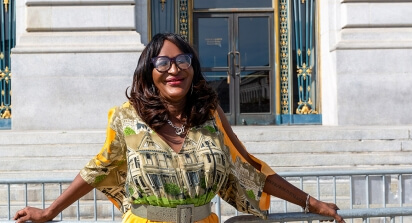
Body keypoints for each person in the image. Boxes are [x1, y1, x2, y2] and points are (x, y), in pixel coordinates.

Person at [14, 33, 345, 223]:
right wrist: (49, 211)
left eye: (182, 60)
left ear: (193, 67)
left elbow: (249, 170)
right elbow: (98, 168)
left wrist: (312, 204)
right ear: (149, 72)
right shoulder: (126, 117)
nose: (173, 69)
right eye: (162, 62)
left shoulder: (210, 115)